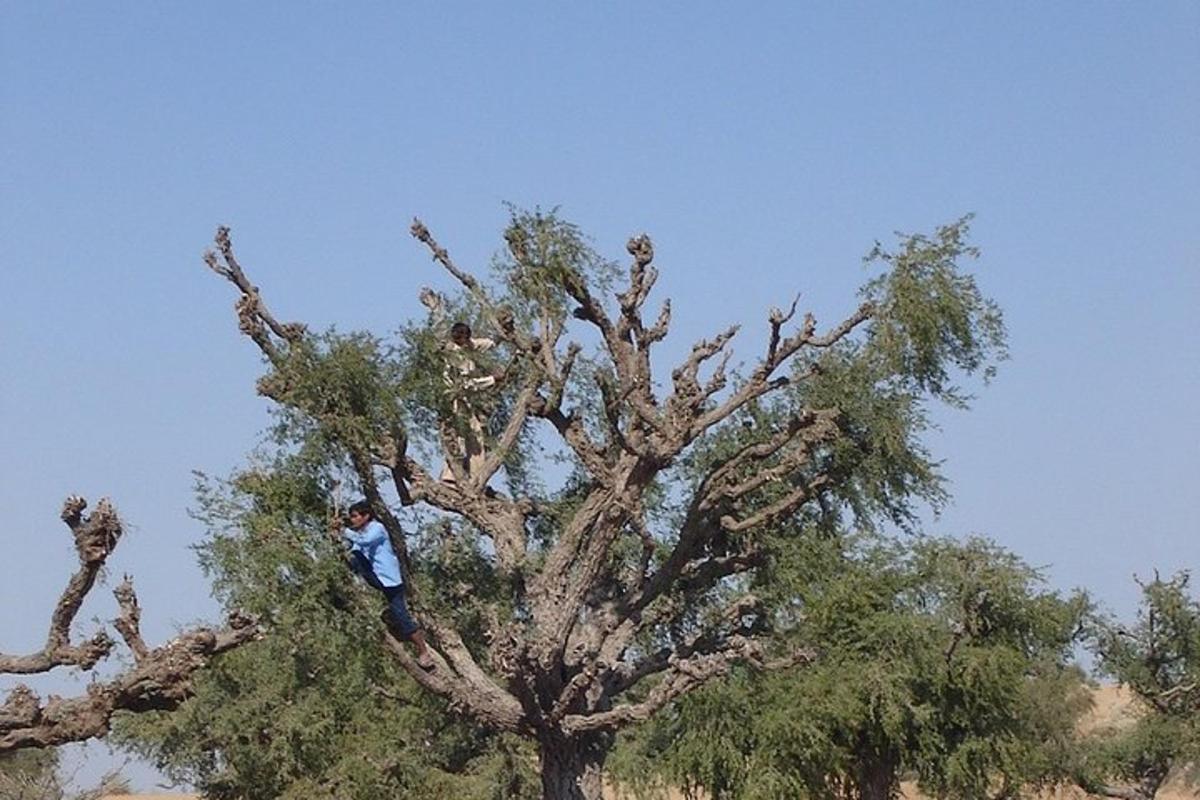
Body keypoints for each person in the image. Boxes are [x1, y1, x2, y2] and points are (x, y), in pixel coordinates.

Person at [340, 500, 434, 670]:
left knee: (401, 614)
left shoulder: (376, 529)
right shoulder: (361, 532)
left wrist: (344, 531)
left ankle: (423, 652)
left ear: (366, 516)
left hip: (389, 580)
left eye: (355, 516)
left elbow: (365, 541)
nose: (353, 520)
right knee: (354, 556)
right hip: (377, 577)